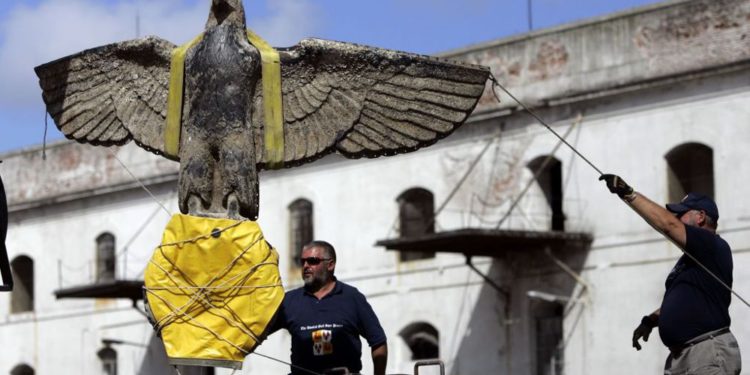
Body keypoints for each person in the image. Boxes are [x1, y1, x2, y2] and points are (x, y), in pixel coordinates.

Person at [600, 174, 741, 375]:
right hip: (683, 356)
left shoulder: (712, 245)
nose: (676, 218)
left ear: (700, 217)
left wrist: (628, 194)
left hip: (706, 353)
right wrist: (651, 320)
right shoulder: (691, 260)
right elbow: (688, 301)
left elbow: (668, 225)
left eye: (682, 214)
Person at [270, 240, 387, 375]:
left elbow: (378, 342)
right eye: (302, 262)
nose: (306, 266)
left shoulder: (352, 297)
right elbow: (256, 332)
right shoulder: (289, 301)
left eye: (312, 261)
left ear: (330, 264)